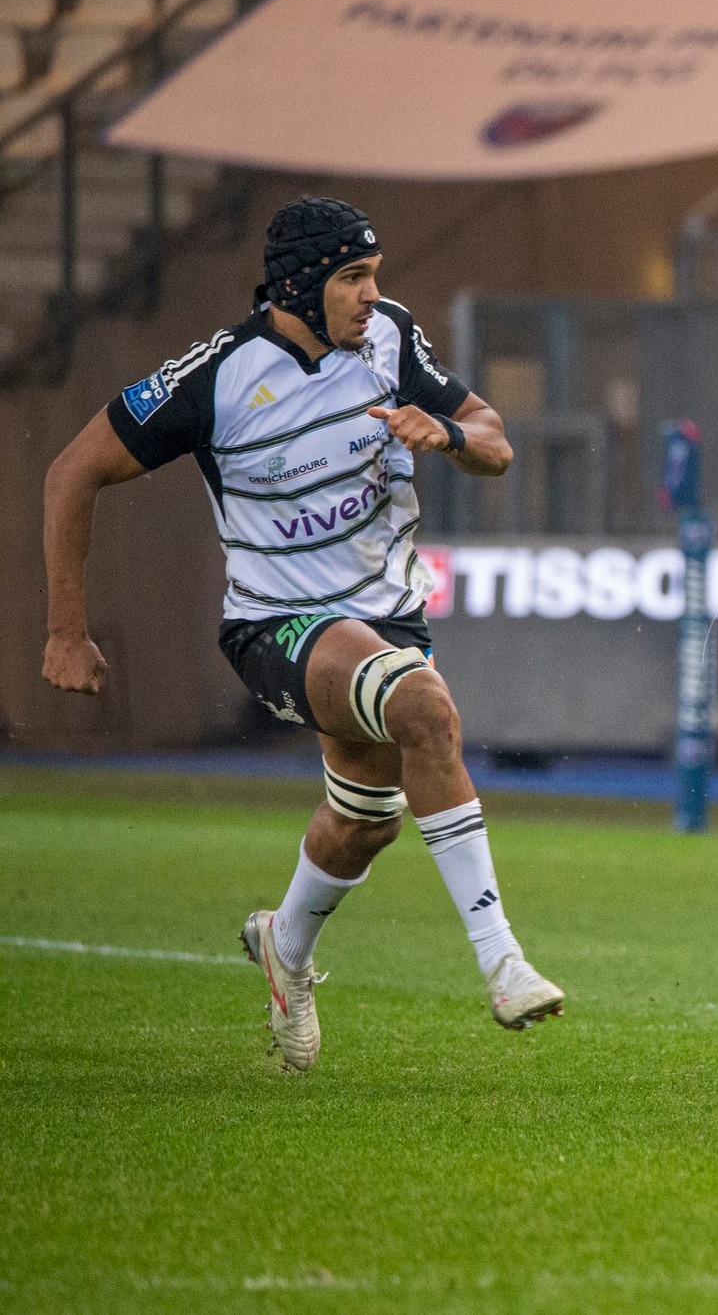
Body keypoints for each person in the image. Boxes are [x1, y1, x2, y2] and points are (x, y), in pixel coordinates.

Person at [41, 197, 565, 1072]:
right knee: (425, 710)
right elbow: (69, 473)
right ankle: (502, 961)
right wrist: (66, 629)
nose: (372, 295)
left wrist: (445, 433)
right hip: (277, 625)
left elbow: (494, 441)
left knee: (366, 822)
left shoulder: (391, 339)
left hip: (386, 615)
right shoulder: (219, 377)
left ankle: (284, 943)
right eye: (353, 278)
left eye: (374, 276)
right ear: (298, 284)